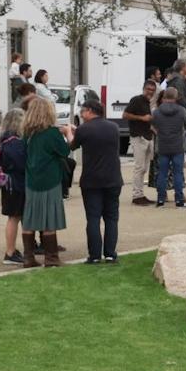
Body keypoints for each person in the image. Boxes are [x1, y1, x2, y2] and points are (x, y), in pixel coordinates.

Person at [19, 95, 74, 266]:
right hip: (50, 179)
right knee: (50, 218)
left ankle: (29, 257)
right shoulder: (51, 133)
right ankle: (51, 257)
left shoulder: (27, 133)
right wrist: (69, 133)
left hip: (31, 179)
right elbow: (65, 151)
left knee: (29, 218)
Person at [72, 98, 123, 264]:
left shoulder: (83, 129)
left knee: (93, 218)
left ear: (89, 111)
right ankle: (110, 253)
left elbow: (72, 146)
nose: (81, 114)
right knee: (111, 217)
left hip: (91, 179)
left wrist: (69, 133)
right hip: (113, 177)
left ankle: (94, 254)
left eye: (82, 112)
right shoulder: (113, 127)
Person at [0, 108, 28, 265]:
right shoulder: (15, 143)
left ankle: (12, 250)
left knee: (14, 217)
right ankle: (10, 252)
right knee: (15, 218)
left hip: (9, 184)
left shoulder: (3, 140)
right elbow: (22, 165)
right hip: (17, 184)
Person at [152, 87, 186, 208]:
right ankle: (179, 199)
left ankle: (160, 199)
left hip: (163, 144)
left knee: (162, 173)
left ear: (164, 97)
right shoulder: (181, 110)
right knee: (178, 173)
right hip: (177, 145)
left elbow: (154, 125)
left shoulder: (157, 111)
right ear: (176, 97)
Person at [123, 78, 159, 205]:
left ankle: (140, 194)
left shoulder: (148, 103)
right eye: (148, 89)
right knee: (139, 167)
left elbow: (147, 120)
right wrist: (141, 118)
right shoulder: (137, 100)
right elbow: (125, 115)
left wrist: (153, 129)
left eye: (152, 90)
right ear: (144, 89)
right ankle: (136, 196)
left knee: (144, 168)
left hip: (147, 137)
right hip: (138, 137)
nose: (150, 92)